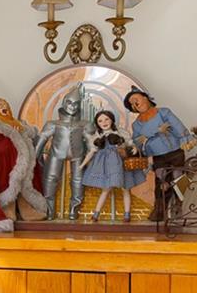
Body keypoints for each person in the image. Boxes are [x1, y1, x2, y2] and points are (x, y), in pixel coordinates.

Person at [125, 88, 189, 223]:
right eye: (131, 103)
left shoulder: (164, 112)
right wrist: (157, 130)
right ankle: (160, 210)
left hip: (175, 151)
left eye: (136, 99)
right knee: (161, 183)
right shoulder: (136, 124)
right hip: (157, 156)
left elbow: (177, 126)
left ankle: (182, 207)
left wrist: (185, 138)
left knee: (179, 179)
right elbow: (138, 140)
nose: (135, 104)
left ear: (146, 98)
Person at [78, 110, 138, 222]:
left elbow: (130, 143)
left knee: (126, 189)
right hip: (106, 167)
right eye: (100, 121)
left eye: (106, 119)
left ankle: (127, 214)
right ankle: (96, 213)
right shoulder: (97, 136)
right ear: (97, 123)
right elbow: (91, 152)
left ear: (112, 120)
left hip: (121, 164)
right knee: (105, 189)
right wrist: (82, 165)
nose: (104, 122)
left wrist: (133, 147)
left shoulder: (120, 132)